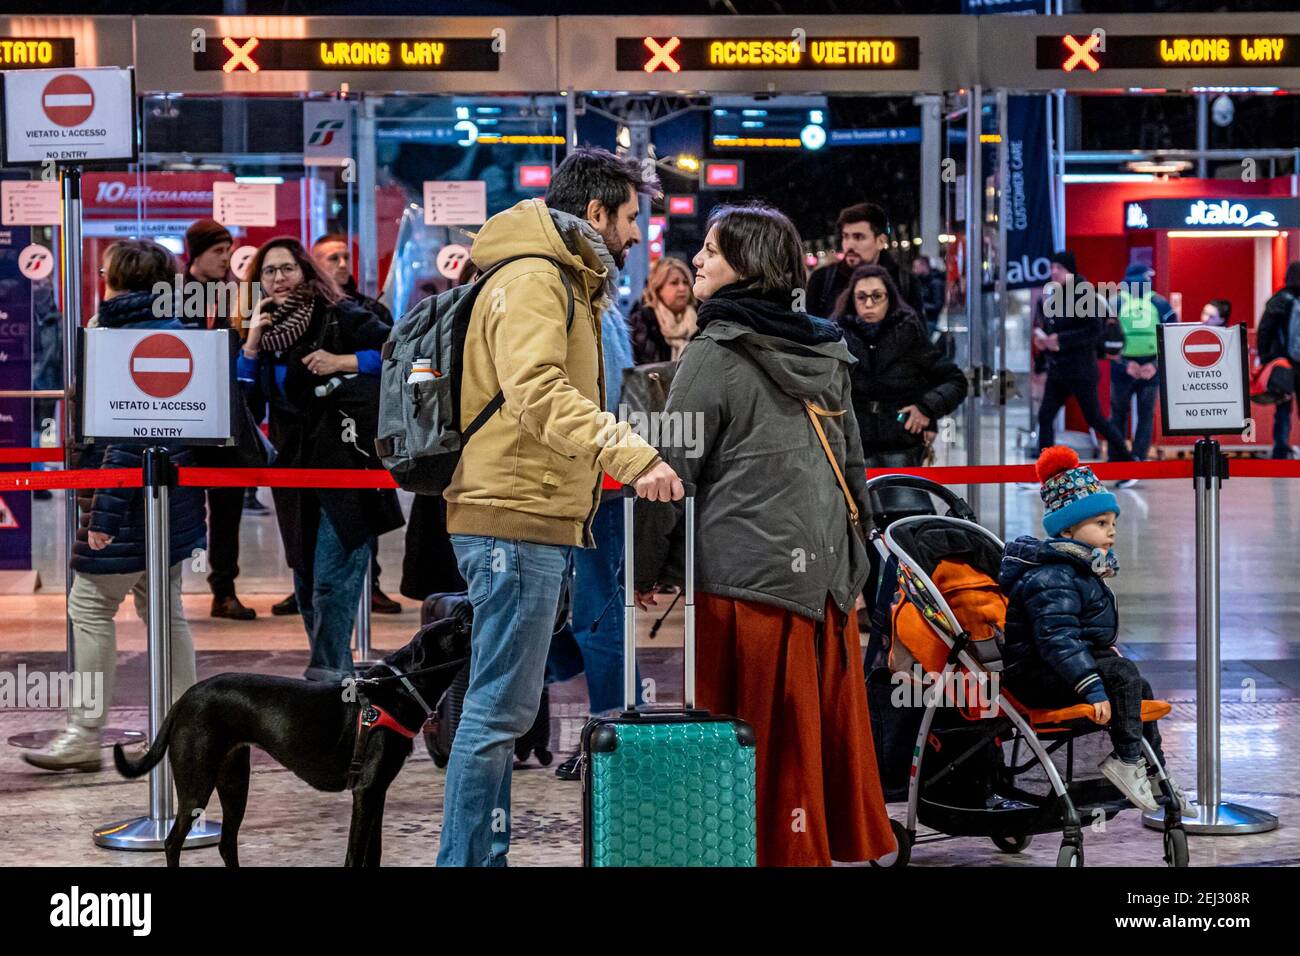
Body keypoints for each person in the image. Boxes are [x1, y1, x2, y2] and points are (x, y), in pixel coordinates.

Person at [436, 147, 678, 867]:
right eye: (632, 217)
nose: (637, 235)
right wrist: (632, 454)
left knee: (501, 710)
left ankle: (484, 858)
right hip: (511, 515)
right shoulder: (539, 278)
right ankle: (467, 862)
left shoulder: (559, 276)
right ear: (596, 212)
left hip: (529, 513)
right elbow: (537, 392)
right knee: (496, 713)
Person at [636, 202, 896, 867]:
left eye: (713, 252)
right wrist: (857, 567)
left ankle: (750, 851)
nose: (697, 260)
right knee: (804, 739)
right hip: (825, 587)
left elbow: (668, 471)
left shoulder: (713, 352)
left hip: (742, 585)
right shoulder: (825, 346)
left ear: (749, 268)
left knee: (743, 740)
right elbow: (854, 464)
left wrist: (644, 565)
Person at [22, 241, 205, 772]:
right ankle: (185, 725)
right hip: (172, 502)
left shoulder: (119, 337)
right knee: (164, 612)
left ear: (117, 280)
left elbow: (132, 431)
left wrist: (102, 516)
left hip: (124, 502)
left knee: (90, 607)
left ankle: (84, 732)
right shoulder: (181, 331)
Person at [236, 237, 403, 682]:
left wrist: (342, 360)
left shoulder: (339, 313)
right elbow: (244, 399)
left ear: (305, 271)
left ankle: (328, 683)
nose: (278, 279)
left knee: (333, 579)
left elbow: (401, 349)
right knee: (307, 584)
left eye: (286, 268)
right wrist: (252, 342)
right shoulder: (263, 331)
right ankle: (338, 685)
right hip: (292, 469)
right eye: (268, 271)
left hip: (345, 462)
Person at [1000, 446, 1190, 815]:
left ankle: (1154, 770)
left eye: (1113, 524)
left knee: (1138, 685)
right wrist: (1091, 683)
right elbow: (1057, 639)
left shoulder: (1082, 569)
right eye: (1101, 524)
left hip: (1060, 668)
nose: (1112, 532)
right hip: (1036, 675)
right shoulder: (1051, 576)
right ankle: (1125, 759)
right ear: (1067, 528)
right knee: (1121, 675)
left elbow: (1081, 634)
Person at [548, 296, 645, 780]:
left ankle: (618, 734)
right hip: (584, 481)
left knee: (596, 611)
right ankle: (623, 723)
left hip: (590, 483)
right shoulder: (586, 304)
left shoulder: (587, 306)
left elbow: (599, 400)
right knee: (586, 611)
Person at [310, 233, 401, 615]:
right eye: (332, 258)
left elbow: (396, 353)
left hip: (361, 428)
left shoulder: (370, 312)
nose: (342, 264)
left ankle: (372, 582)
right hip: (313, 428)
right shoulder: (304, 312)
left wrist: (341, 362)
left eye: (346, 256)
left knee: (366, 506)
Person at [832, 262, 967, 497]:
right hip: (852, 448)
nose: (869, 304)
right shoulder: (837, 337)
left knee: (905, 521)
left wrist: (926, 409)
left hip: (901, 445)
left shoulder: (908, 333)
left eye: (877, 296)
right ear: (852, 299)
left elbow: (955, 380)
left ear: (889, 298)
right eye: (861, 297)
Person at [1033, 251, 1133, 461]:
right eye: (1052, 268)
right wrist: (1044, 340)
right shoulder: (1056, 296)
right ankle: (1047, 469)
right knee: (1045, 415)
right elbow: (1055, 328)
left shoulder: (1084, 295)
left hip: (1081, 370)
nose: (1053, 272)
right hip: (1059, 369)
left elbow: (1093, 330)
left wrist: (1060, 339)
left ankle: (1127, 458)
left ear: (1070, 271)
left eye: (1058, 268)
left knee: (1095, 418)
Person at [1107, 263, 1176, 487]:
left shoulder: (1115, 302)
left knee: (1118, 414)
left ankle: (1117, 461)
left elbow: (1104, 338)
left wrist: (1125, 363)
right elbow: (1172, 334)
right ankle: (1135, 462)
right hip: (1147, 367)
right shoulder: (1159, 302)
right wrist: (1154, 365)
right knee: (1145, 416)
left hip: (1124, 367)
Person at [806, 201, 924, 320]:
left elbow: (918, 334)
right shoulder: (822, 280)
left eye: (859, 237)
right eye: (846, 236)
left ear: (881, 241)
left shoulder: (905, 281)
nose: (849, 245)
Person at [1256, 262, 1300, 459]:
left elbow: (1265, 330)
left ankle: (1280, 450)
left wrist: (1266, 357)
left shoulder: (1279, 300)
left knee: (1283, 407)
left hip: (1283, 363)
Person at [625, 255, 698, 364]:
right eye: (674, 283)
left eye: (686, 282)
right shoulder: (642, 322)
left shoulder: (700, 320)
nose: (682, 288)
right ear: (657, 289)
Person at [911, 255, 946, 331]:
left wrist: (920, 306)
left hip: (930, 321)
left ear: (924, 266)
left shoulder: (935, 282)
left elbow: (938, 305)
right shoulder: (921, 281)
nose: (914, 270)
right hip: (922, 320)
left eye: (916, 267)